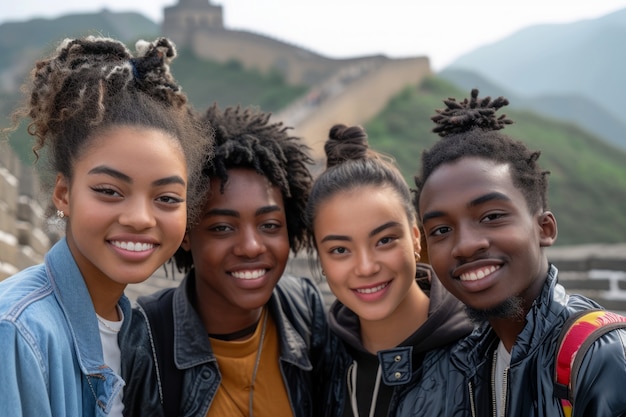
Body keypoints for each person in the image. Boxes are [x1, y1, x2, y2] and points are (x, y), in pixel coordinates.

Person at [0, 36, 211, 417]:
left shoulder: (128, 327)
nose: (140, 218)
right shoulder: (18, 331)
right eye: (110, 191)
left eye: (166, 198)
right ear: (63, 194)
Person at [413, 88, 626, 416]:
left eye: (492, 216)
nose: (467, 244)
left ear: (544, 229)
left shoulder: (599, 357)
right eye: (441, 230)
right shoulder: (461, 363)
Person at [121, 105, 341, 417]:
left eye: (269, 225)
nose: (251, 247)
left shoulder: (304, 310)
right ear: (185, 232)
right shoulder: (144, 339)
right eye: (222, 228)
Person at [304, 124, 473, 417]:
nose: (366, 267)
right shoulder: (316, 359)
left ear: (416, 238)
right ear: (321, 259)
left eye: (384, 240)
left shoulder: (480, 353)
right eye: (340, 250)